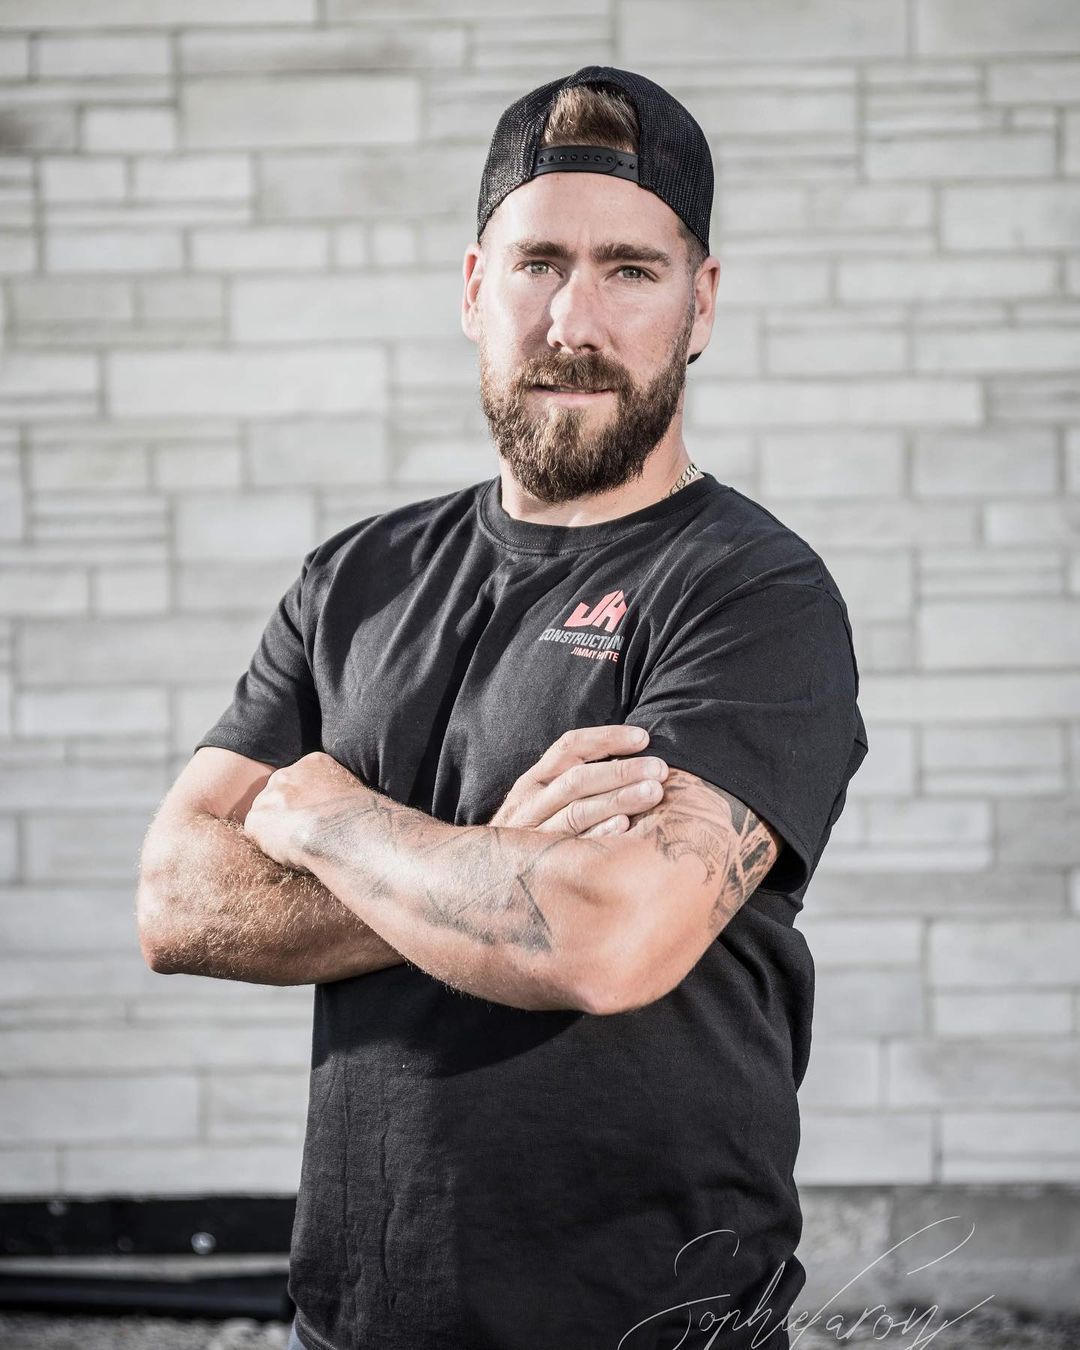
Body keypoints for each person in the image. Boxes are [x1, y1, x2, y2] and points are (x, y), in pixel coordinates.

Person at [137, 66, 868, 1350]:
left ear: (703, 306)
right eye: (538, 263)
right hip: (355, 1321)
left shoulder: (756, 593)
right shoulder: (354, 580)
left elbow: (607, 944)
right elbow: (176, 897)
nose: (573, 318)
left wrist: (320, 816)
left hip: (653, 1323)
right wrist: (502, 865)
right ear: (476, 288)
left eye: (631, 271)